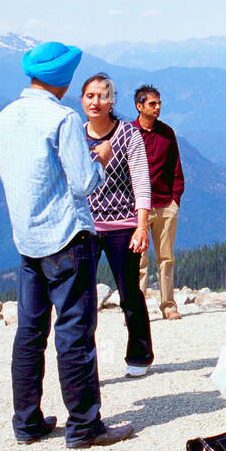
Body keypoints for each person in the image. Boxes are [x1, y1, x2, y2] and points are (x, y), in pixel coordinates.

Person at [0, 41, 133, 448]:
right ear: (65, 79)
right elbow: (83, 183)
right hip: (67, 237)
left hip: (27, 240)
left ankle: (27, 421)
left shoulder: (3, 119)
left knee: (30, 331)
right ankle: (84, 425)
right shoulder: (63, 119)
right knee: (74, 330)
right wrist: (101, 158)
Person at [79, 73, 154, 375]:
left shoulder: (127, 134)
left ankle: (139, 355)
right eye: (90, 96)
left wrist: (142, 225)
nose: (96, 102)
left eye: (102, 96)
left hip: (123, 225)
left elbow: (141, 180)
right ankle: (83, 366)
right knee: (81, 300)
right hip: (83, 226)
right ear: (82, 100)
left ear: (112, 100)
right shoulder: (74, 134)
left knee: (129, 293)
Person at [134, 85, 185, 320]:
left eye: (159, 103)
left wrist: (175, 199)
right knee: (139, 261)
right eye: (152, 103)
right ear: (140, 106)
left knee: (166, 258)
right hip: (138, 209)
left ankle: (168, 305)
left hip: (165, 204)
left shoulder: (167, 133)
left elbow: (175, 167)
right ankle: (137, 308)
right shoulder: (129, 133)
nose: (158, 107)